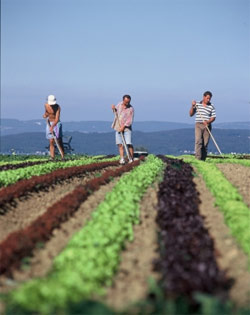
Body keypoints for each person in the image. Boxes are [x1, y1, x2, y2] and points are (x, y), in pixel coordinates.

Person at [189, 91, 216, 161]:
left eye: (209, 98)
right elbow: (191, 114)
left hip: (207, 126)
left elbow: (213, 117)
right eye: (207, 98)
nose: (208, 100)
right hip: (198, 124)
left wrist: (208, 121)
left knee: (205, 143)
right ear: (203, 97)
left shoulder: (211, 106)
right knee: (198, 141)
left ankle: (203, 159)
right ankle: (198, 158)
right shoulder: (197, 104)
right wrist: (192, 106)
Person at [111, 95, 134, 164]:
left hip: (126, 129)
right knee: (120, 144)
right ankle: (122, 158)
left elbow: (129, 121)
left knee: (128, 143)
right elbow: (115, 112)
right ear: (123, 100)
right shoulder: (119, 104)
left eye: (128, 102)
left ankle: (131, 158)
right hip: (118, 127)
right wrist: (113, 109)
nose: (127, 103)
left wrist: (123, 127)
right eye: (126, 102)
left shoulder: (131, 109)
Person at [43, 94, 64, 160]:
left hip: (56, 123)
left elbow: (57, 119)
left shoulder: (58, 107)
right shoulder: (46, 105)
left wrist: (52, 126)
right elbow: (47, 113)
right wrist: (45, 115)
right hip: (49, 122)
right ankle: (52, 157)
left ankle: (62, 156)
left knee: (58, 141)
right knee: (51, 141)